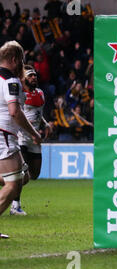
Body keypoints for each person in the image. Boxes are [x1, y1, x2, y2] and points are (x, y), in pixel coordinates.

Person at [0, 41, 42, 237]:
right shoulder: (11, 81)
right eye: (22, 60)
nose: (22, 66)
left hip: (6, 136)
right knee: (14, 184)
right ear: (15, 59)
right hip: (4, 135)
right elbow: (15, 112)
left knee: (23, 177)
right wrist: (34, 132)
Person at [8, 65, 52, 215]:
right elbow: (16, 113)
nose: (34, 78)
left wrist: (46, 124)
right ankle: (15, 206)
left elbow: (38, 113)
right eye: (30, 76)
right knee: (21, 175)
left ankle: (7, 179)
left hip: (35, 140)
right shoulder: (21, 95)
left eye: (35, 75)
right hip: (21, 138)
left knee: (34, 174)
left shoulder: (40, 93)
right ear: (24, 79)